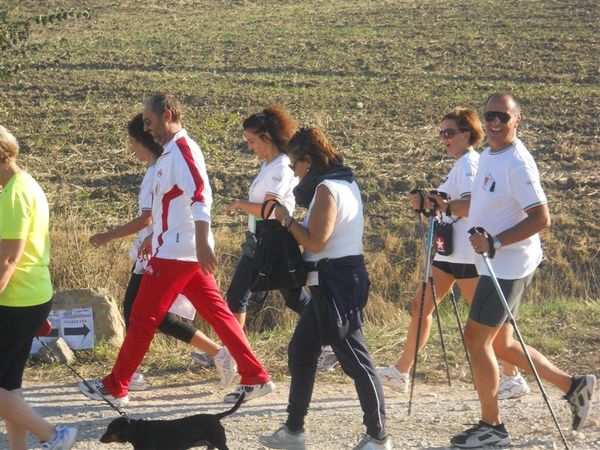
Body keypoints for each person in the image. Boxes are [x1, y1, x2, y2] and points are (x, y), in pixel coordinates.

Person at [78, 93, 273, 406]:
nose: (147, 128)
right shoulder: (169, 152)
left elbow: (201, 195)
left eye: (150, 121)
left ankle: (117, 385)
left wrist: (201, 241)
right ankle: (256, 376)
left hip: (177, 251)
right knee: (220, 316)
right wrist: (156, 239)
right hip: (177, 250)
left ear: (167, 115)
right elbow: (163, 208)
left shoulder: (183, 150)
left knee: (142, 316)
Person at [431, 92, 596, 448]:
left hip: (506, 264)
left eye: (503, 117)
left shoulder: (518, 163)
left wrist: (495, 243)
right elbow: (477, 203)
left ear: (516, 121)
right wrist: (440, 204)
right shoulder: (491, 154)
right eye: (490, 115)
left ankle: (493, 427)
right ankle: (574, 386)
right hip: (493, 262)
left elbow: (542, 217)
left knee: (475, 339)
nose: (494, 122)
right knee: (502, 344)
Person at [377, 108, 530, 400]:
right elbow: (451, 204)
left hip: (467, 259)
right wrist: (429, 202)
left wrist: (438, 204)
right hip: (449, 256)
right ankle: (401, 371)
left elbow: (471, 206)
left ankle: (513, 377)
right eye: (441, 133)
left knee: (489, 323)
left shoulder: (470, 164)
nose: (444, 138)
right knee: (420, 307)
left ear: (468, 134)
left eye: (450, 133)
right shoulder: (462, 164)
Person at [259, 128, 391, 449]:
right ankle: (293, 431)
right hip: (334, 281)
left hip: (335, 284)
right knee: (302, 351)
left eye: (295, 163)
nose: (293, 171)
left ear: (309, 160)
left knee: (356, 361)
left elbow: (317, 240)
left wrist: (287, 220)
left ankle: (379, 436)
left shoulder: (327, 190)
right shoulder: (345, 182)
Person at [89, 113, 236, 390]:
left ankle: (126, 376)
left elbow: (150, 217)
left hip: (165, 252)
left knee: (144, 313)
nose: (130, 148)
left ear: (142, 140)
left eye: (132, 141)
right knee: (151, 315)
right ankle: (221, 353)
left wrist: (109, 235)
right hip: (158, 249)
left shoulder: (163, 166)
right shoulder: (159, 167)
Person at [0, 125, 77, 449]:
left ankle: (53, 435)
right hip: (31, 295)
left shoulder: (15, 193)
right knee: (9, 384)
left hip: (16, 298)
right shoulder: (25, 184)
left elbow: (7, 261)